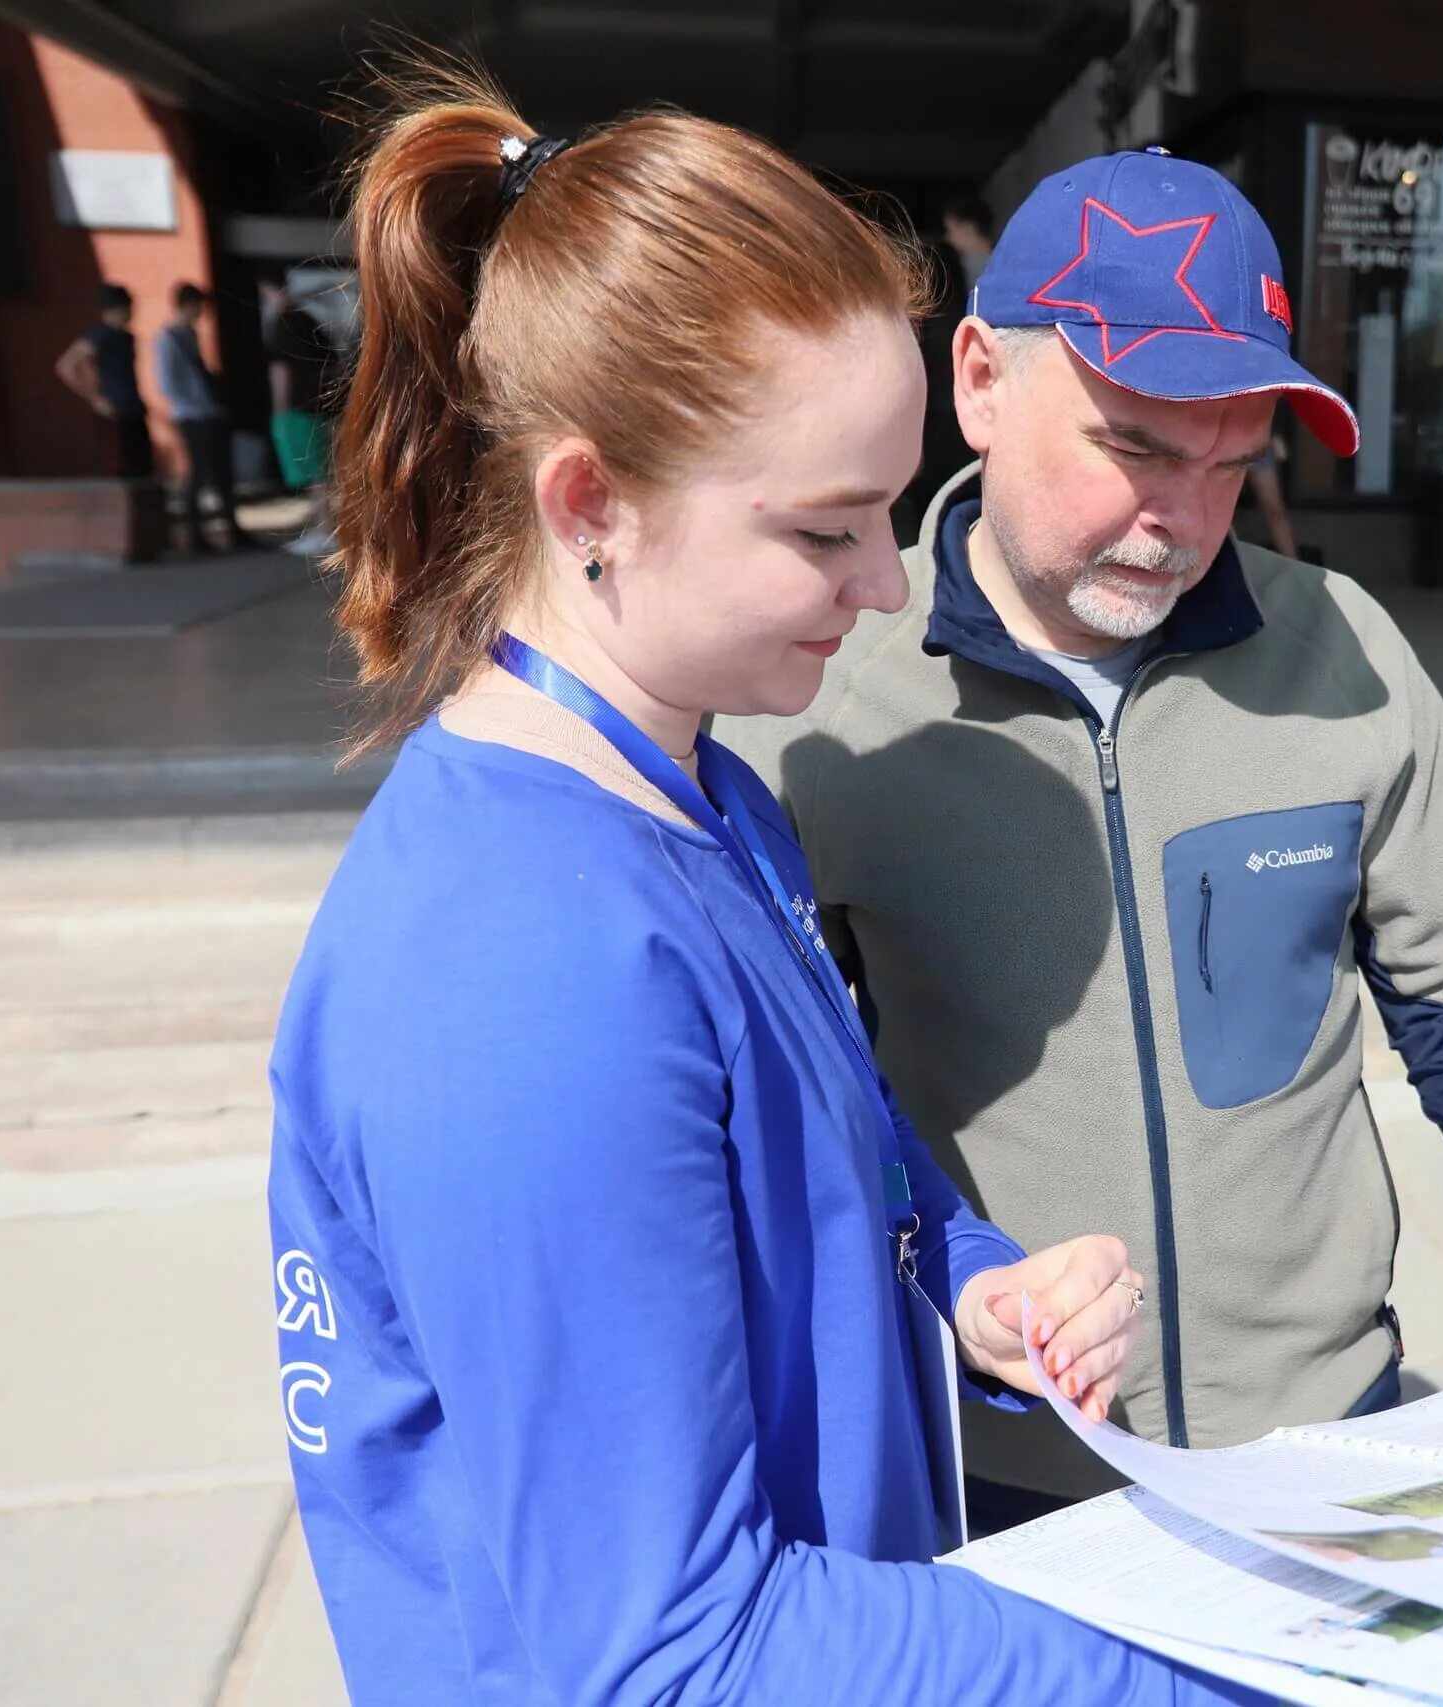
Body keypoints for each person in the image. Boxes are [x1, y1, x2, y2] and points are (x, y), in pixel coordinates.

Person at [268, 75, 1265, 1706]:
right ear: (594, 504)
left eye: (888, 512)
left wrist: (968, 1278)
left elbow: (840, 1174)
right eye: (827, 529)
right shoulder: (518, 966)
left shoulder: (714, 799)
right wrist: (1222, 1667)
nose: (886, 585)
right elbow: (670, 1650)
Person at [733, 148, 1443, 1547]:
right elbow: (794, 1111)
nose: (1184, 520)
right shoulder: (823, 701)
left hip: (1331, 1451)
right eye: (1132, 444)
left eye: (1232, 463)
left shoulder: (1346, 655)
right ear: (980, 382)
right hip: (996, 1478)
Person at [155, 283, 255, 552]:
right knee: (199, 473)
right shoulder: (167, 338)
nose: (200, 313)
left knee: (222, 473)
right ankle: (193, 534)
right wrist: (192, 402)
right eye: (198, 307)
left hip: (210, 412)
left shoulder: (190, 334)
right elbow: (167, 382)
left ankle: (231, 529)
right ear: (187, 305)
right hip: (192, 415)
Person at [260, 271, 340, 556]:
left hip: (297, 408)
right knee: (324, 472)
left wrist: (279, 410)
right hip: (323, 405)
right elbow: (334, 360)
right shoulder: (311, 321)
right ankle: (325, 529)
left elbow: (280, 369)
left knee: (314, 474)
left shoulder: (283, 324)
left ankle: (325, 531)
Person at [54, 283, 152, 479]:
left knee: (143, 468)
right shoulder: (100, 335)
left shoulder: (125, 337)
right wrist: (95, 398)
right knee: (121, 468)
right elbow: (66, 365)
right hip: (114, 410)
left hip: (132, 406)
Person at [942, 189, 996, 299]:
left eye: (950, 230)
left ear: (968, 228)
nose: (948, 238)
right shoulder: (968, 266)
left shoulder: (988, 267)